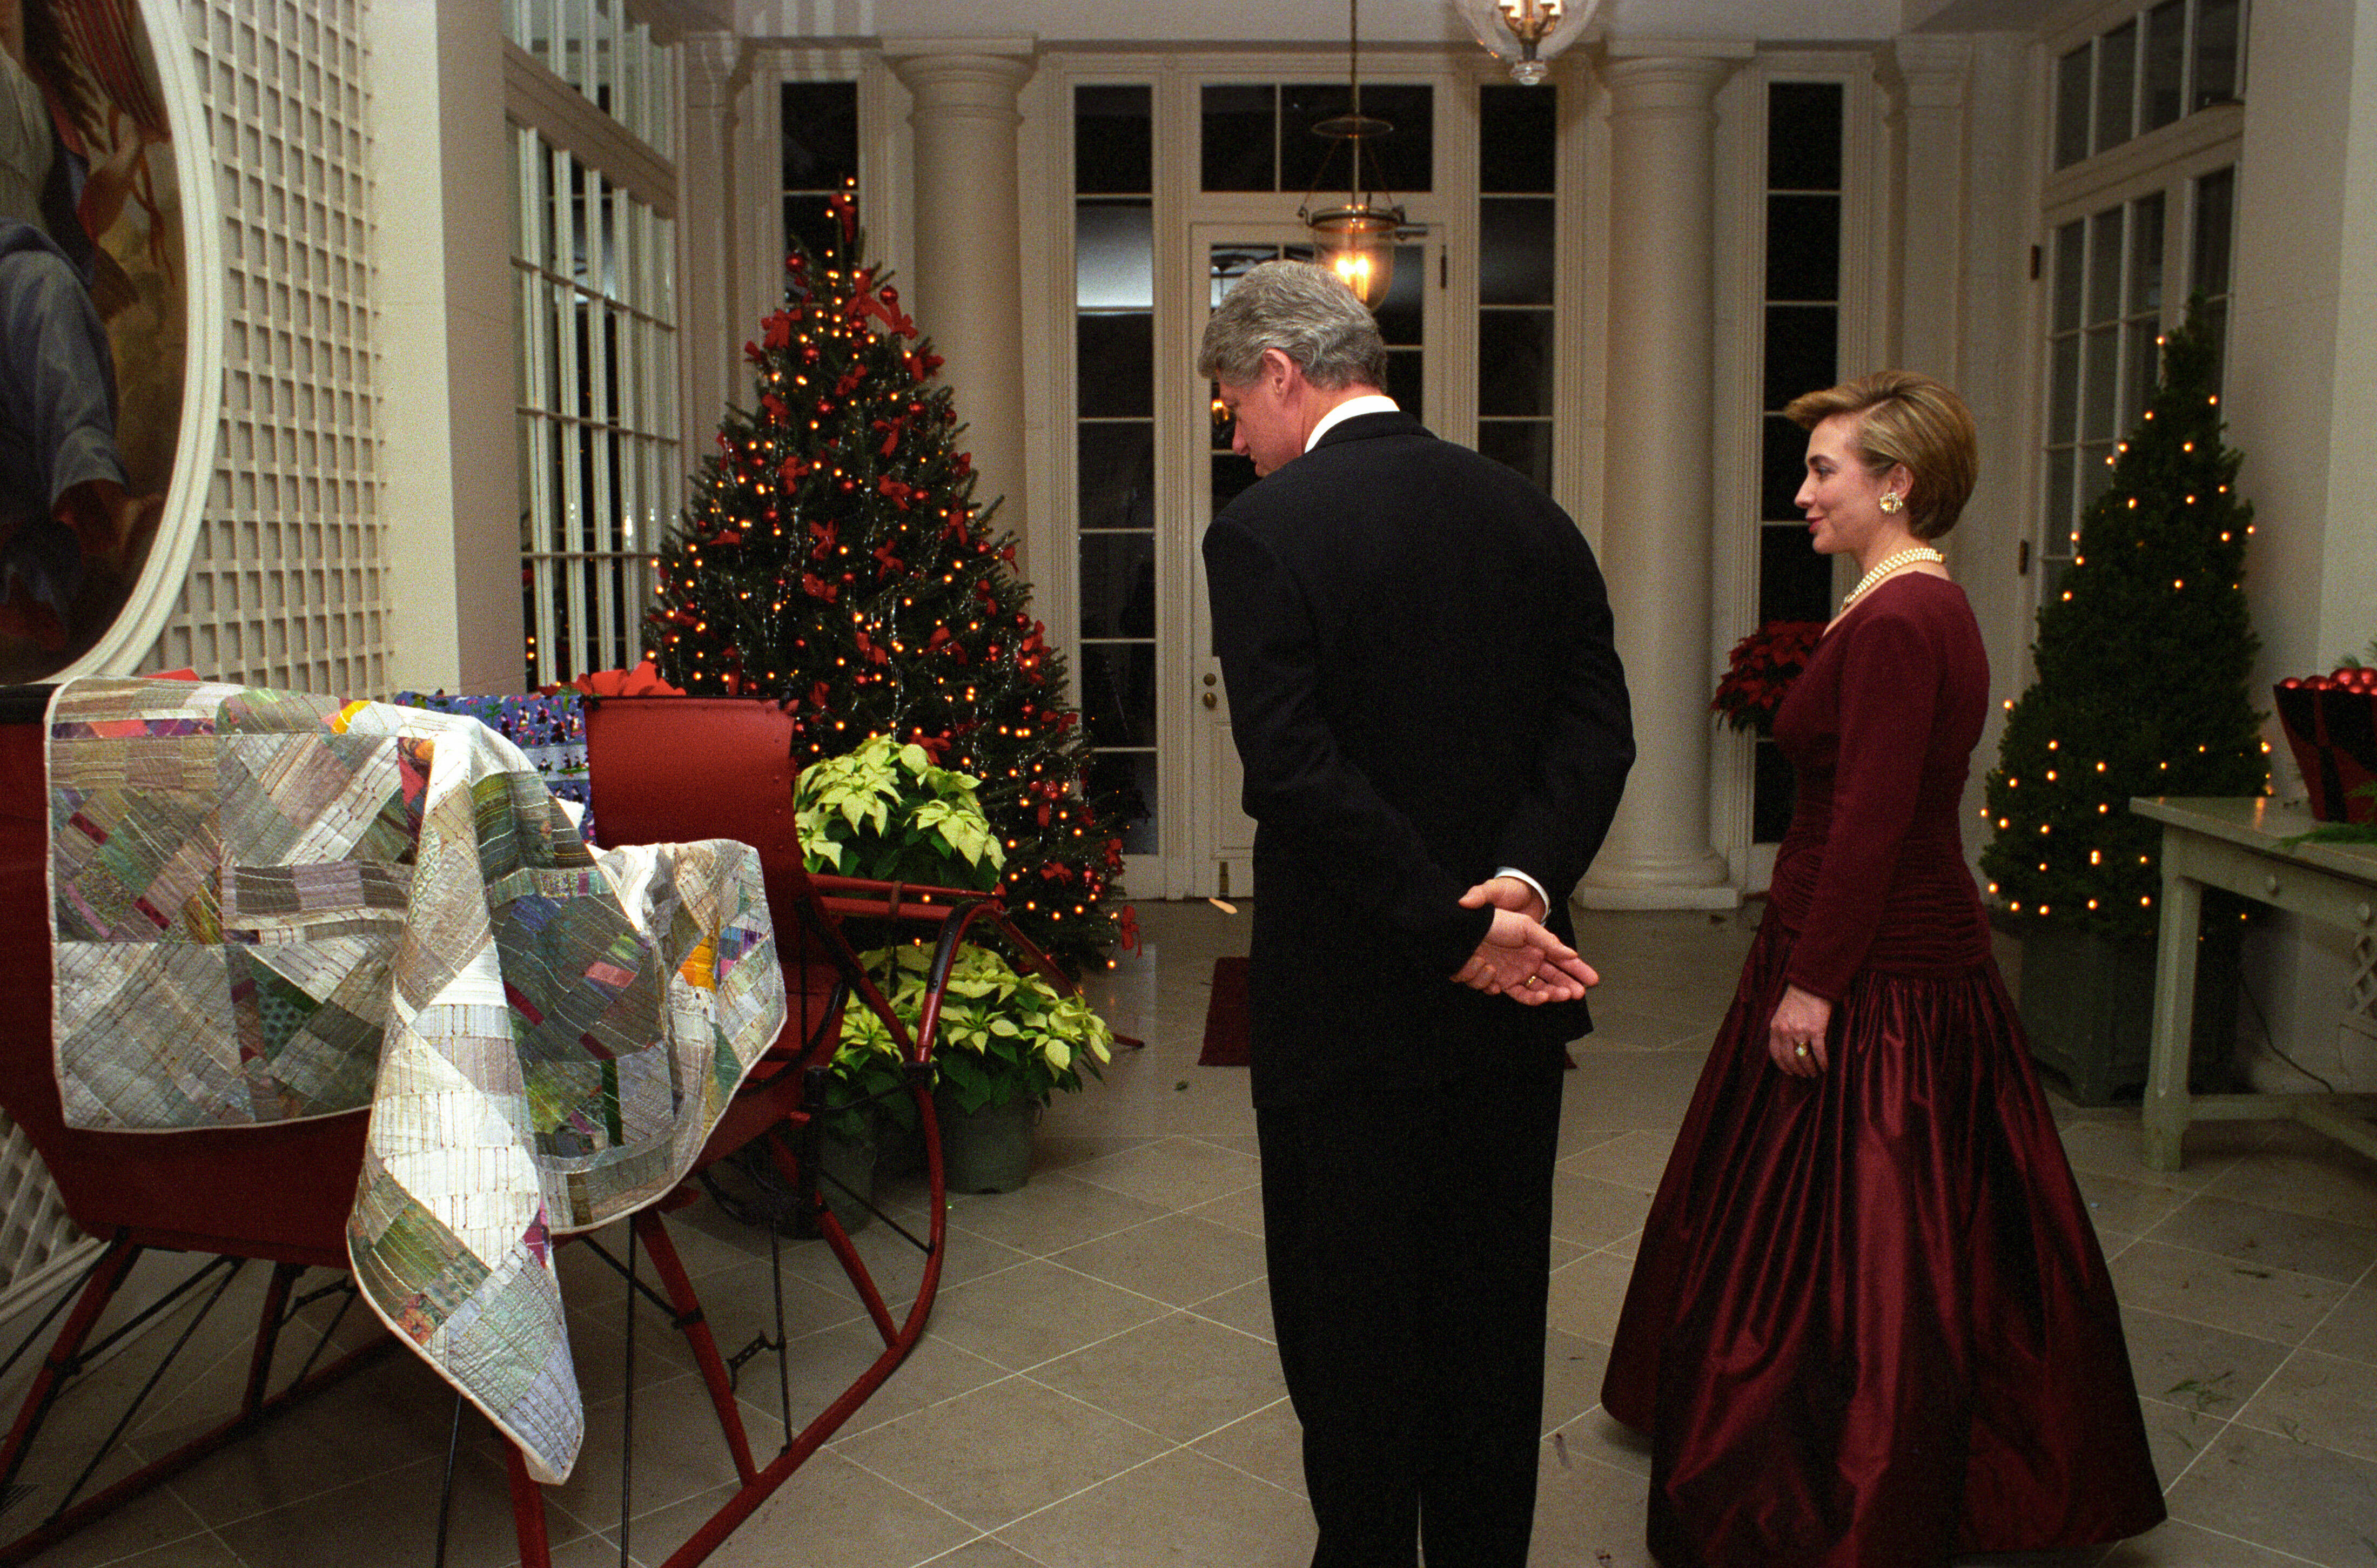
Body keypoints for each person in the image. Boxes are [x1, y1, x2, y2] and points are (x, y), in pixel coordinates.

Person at [1600, 371, 2166, 1566]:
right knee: (1854, 1231)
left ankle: (1854, 1472)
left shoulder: (1908, 619)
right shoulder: (1898, 604)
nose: (1802, 491)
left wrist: (1814, 981)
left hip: (1877, 976)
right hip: (1853, 949)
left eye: (1824, 469)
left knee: (1876, 1246)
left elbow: (1871, 818)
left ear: (1895, 483)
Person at [1198, 259, 1633, 1567]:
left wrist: (1453, 929)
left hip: (1347, 1013)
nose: (1230, 430)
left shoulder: (1263, 531)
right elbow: (1596, 734)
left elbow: (1290, 769)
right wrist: (1521, 888)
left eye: (1228, 398)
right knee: (1492, 1316)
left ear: (1282, 373)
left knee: (1348, 1330)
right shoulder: (1528, 513)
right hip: (1511, 1014)